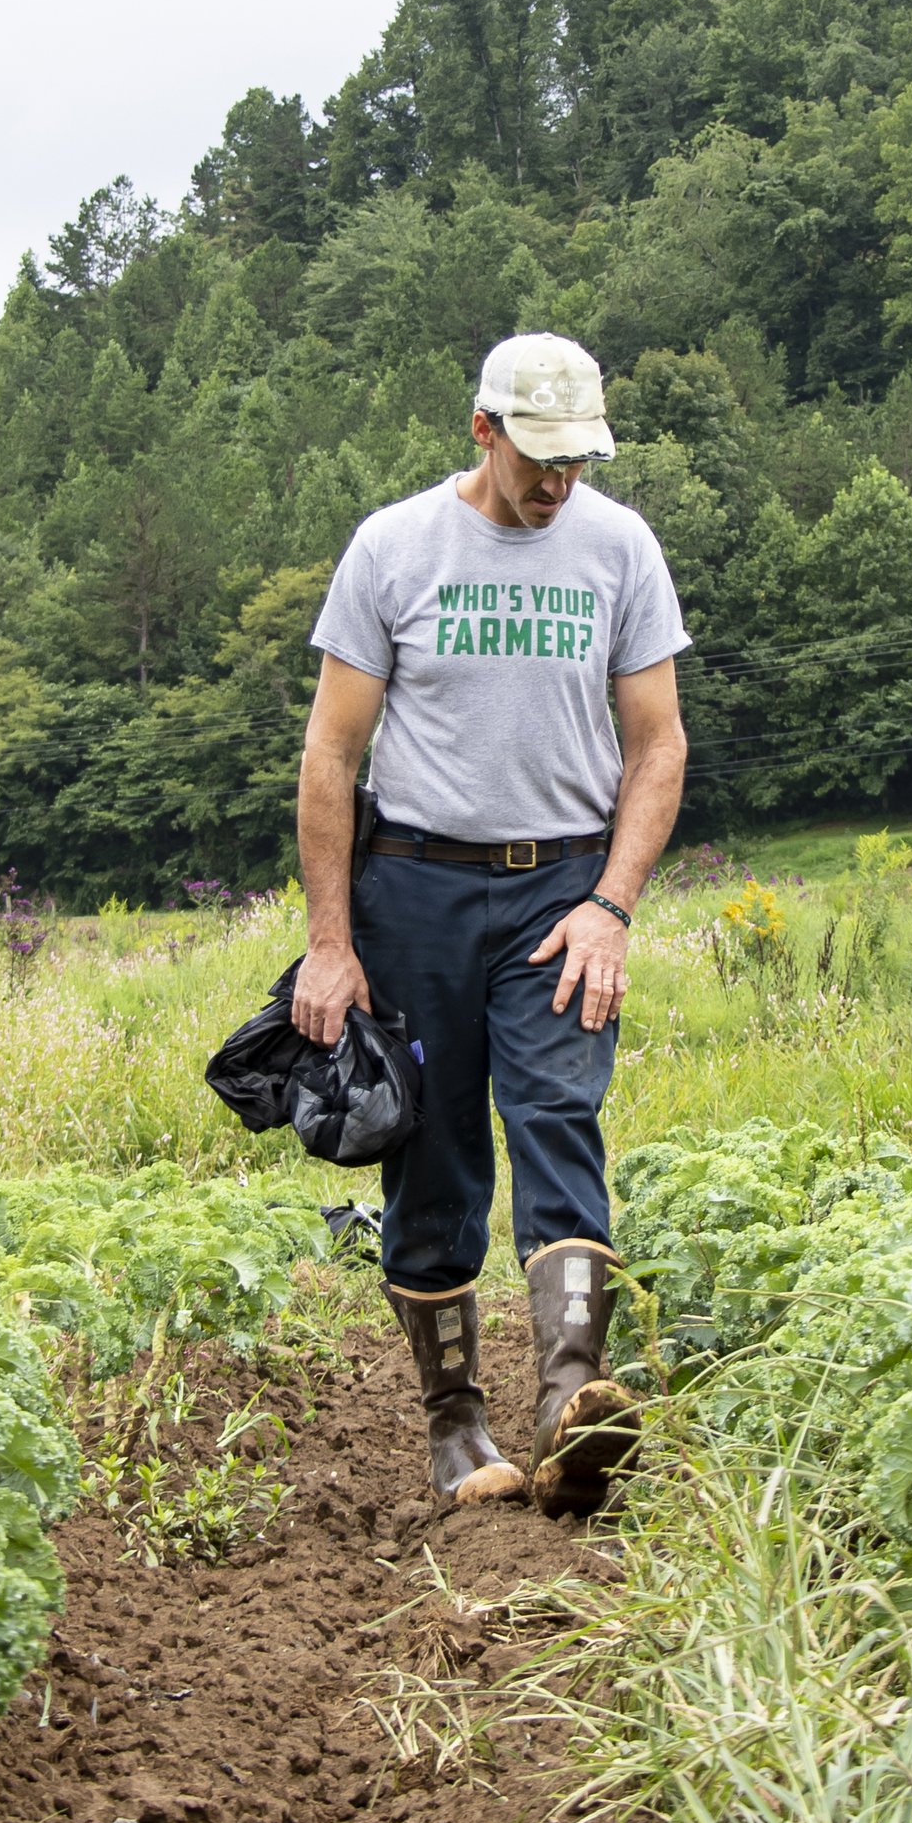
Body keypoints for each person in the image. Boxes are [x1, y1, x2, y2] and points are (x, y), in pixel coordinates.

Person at [293, 334, 689, 1516]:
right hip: (411, 885)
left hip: (560, 889)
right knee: (438, 1148)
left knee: (558, 1109)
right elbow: (330, 752)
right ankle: (455, 1427)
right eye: (537, 457)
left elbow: (657, 742)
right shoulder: (394, 547)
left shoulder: (619, 548)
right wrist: (331, 940)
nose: (556, 481)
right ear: (482, 429)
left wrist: (612, 906)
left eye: (577, 459)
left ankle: (575, 1396)